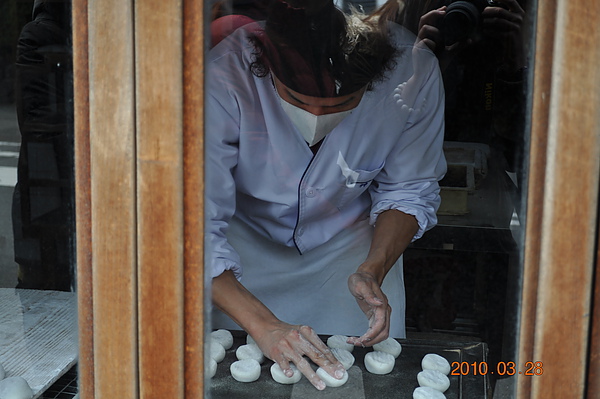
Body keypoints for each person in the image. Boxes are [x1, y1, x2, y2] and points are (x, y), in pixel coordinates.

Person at [206, 0, 446, 389]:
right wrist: (264, 325)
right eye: (299, 102)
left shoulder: (411, 73)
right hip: (238, 257)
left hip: (349, 248)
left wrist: (373, 269)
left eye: (343, 106)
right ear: (264, 68)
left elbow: (410, 187)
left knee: (358, 378)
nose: (317, 116)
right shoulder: (223, 76)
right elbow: (190, 226)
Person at [11, 0, 74, 291]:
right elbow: (38, 120)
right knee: (42, 285)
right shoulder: (41, 35)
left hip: (52, 180)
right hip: (46, 182)